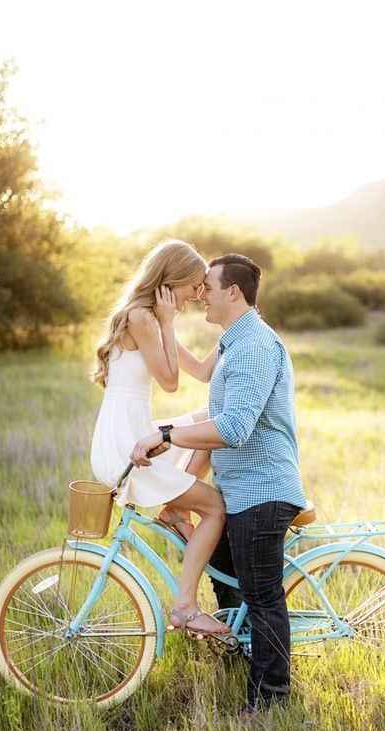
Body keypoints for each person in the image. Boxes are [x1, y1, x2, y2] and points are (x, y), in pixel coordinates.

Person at [131, 253, 307, 712]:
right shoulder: (235, 340)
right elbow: (203, 382)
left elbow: (232, 429)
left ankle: (271, 701)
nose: (201, 293)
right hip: (240, 490)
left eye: (207, 286)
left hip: (262, 490)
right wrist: (164, 322)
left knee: (263, 595)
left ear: (233, 291)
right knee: (229, 582)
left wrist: (167, 436)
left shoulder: (254, 346)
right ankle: (240, 655)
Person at [91, 239, 230, 636]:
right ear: (172, 282)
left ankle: (174, 512)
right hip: (128, 444)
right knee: (216, 509)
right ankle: (186, 606)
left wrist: (236, 327)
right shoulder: (144, 319)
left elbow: (201, 372)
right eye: (193, 288)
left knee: (209, 419)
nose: (196, 297)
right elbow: (170, 382)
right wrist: (169, 322)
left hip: (133, 434)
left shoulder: (147, 318)